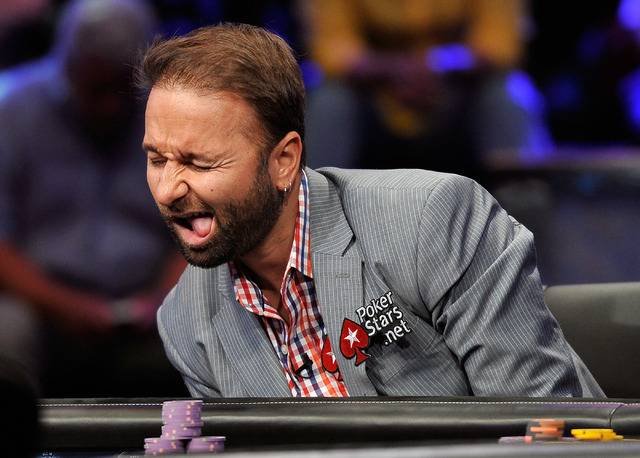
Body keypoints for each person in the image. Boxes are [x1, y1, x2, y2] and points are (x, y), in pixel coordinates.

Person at [139, 23, 604, 398]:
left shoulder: (433, 219)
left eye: (199, 163)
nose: (168, 189)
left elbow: (538, 423)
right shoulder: (185, 320)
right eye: (157, 160)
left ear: (284, 160)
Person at [0, 0, 186, 396]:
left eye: (122, 91)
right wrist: (64, 305)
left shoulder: (174, 116)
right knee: (6, 330)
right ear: (67, 67)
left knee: (219, 318)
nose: (110, 107)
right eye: (95, 89)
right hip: (40, 303)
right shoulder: (13, 113)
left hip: (155, 299)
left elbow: (203, 227)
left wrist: (165, 298)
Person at [301, 0, 552, 174]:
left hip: (457, 96)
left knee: (509, 95)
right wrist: (396, 70)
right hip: (374, 98)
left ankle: (526, 218)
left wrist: (438, 65)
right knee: (329, 101)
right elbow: (331, 50)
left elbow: (501, 44)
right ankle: (310, 220)